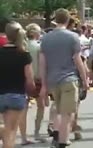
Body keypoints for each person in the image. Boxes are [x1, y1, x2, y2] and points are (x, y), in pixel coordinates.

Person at [39, 8, 88, 148]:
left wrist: (43, 83)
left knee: (57, 108)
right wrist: (85, 80)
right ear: (67, 20)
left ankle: (56, 133)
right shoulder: (72, 37)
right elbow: (78, 60)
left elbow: (43, 62)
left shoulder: (46, 38)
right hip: (69, 79)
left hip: (52, 80)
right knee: (67, 113)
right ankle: (63, 141)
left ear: (55, 20)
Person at [0, 21, 35, 148]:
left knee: (6, 129)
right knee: (11, 131)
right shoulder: (24, 55)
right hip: (16, 95)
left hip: (1, 94)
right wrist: (31, 92)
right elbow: (29, 79)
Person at [25, 23, 47, 144]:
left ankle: (23, 134)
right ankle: (36, 132)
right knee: (41, 106)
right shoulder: (38, 47)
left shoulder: (23, 46)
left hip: (24, 79)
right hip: (37, 79)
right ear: (35, 33)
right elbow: (42, 65)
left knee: (24, 108)